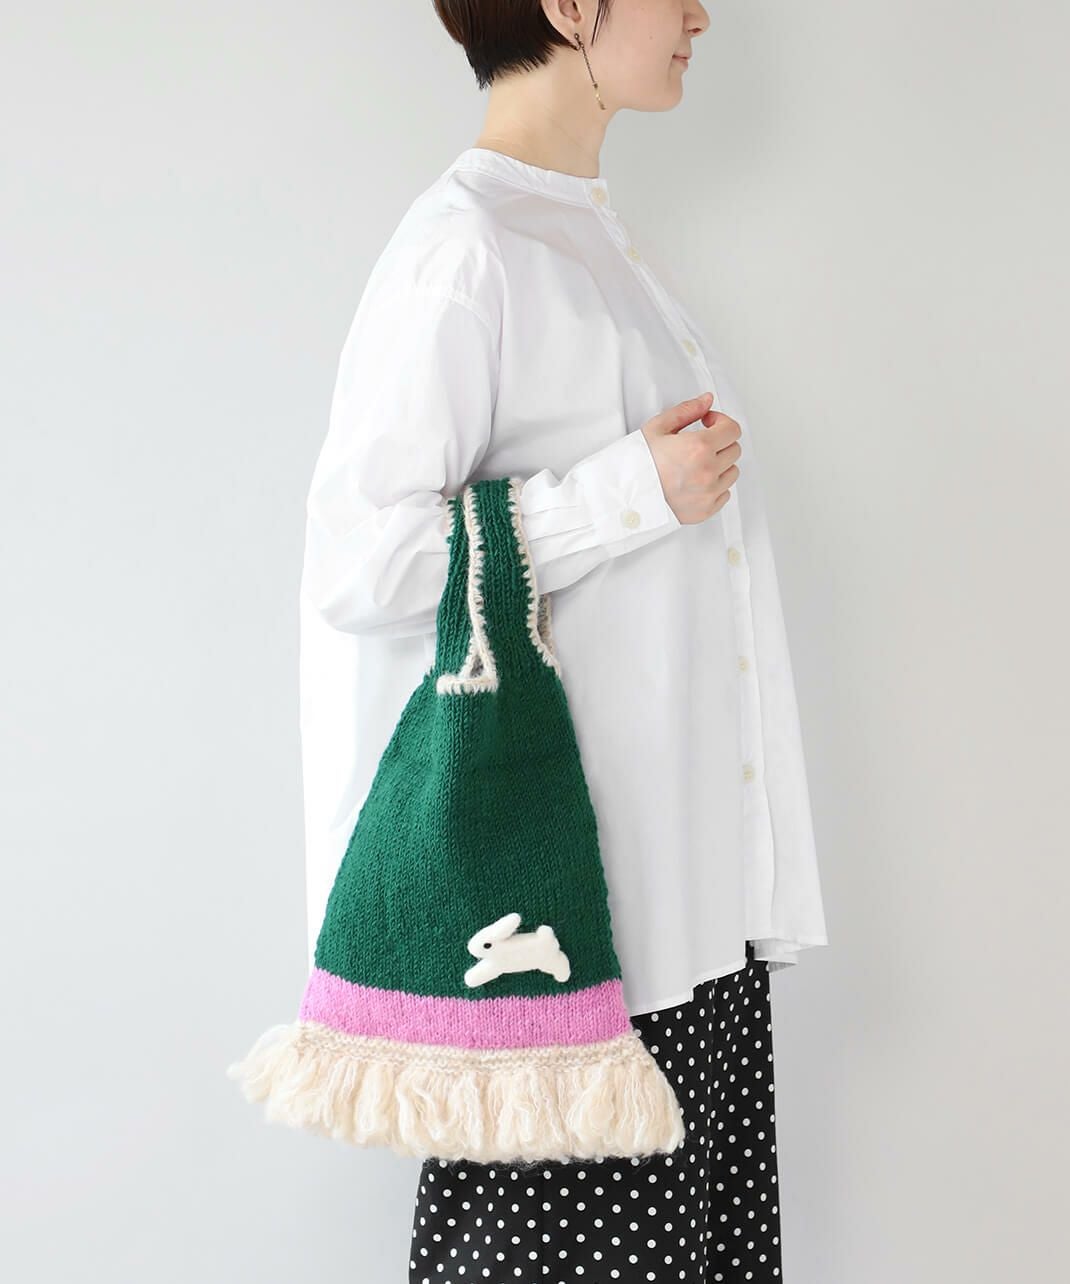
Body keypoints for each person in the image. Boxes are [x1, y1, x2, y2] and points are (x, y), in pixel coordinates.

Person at [299, 2, 829, 1279]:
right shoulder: (465, 249)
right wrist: (620, 495)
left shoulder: (585, 236)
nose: (699, 13)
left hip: (679, 926)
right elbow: (361, 563)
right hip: (569, 939)